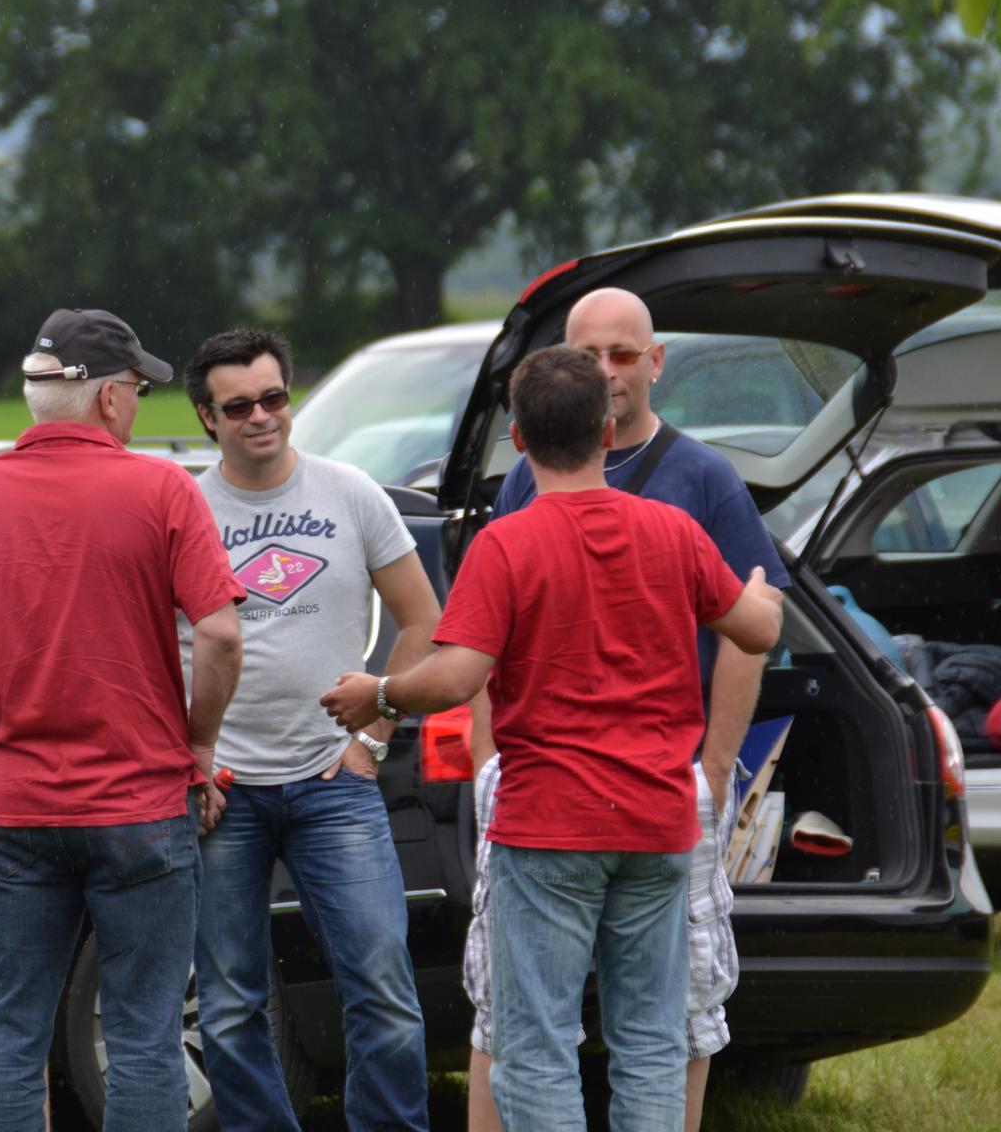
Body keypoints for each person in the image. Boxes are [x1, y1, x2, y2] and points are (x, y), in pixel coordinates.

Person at [320, 345, 783, 1132]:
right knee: (653, 1042)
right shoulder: (674, 531)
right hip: (658, 823)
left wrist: (380, 693)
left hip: (549, 829)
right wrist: (761, 596)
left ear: (519, 442)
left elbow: (457, 677)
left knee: (536, 1047)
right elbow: (757, 630)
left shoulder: (506, 544)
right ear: (606, 432)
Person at [463, 288, 795, 1132]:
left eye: (622, 353)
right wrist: (487, 763)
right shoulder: (524, 490)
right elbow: (494, 644)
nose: (606, 370)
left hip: (656, 793)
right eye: (589, 354)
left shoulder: (705, 478)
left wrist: (714, 769)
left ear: (656, 362)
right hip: (579, 800)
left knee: (645, 1023)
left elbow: (745, 644)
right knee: (569, 1023)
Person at [0, 308, 245, 1132]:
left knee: (9, 1035)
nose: (135, 406)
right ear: (107, 397)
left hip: (18, 805)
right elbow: (221, 635)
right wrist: (199, 744)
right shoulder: (162, 489)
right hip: (140, 805)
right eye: (136, 390)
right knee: (143, 1038)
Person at [179, 327, 438, 1131]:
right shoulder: (182, 509)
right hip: (224, 793)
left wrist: (375, 735)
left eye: (273, 397)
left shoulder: (350, 493)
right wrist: (189, 761)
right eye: (238, 406)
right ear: (206, 418)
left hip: (336, 782)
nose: (261, 416)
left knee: (382, 984)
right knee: (228, 1004)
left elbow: (424, 620)